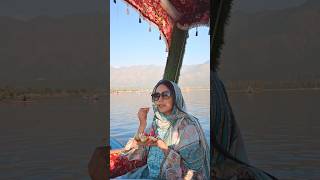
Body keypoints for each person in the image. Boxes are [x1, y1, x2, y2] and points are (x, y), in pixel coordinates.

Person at [117, 79, 210, 179]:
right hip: (148, 174)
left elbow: (193, 172)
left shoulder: (187, 127)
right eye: (156, 96)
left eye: (165, 94)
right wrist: (142, 124)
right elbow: (134, 154)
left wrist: (162, 146)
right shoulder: (155, 125)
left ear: (176, 97)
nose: (160, 99)